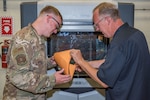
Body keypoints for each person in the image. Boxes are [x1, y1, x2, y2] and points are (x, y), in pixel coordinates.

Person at [70, 2, 150, 100]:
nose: (97, 29)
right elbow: (117, 62)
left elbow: (104, 81)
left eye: (97, 25)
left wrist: (81, 61)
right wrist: (88, 64)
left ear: (107, 20)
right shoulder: (136, 34)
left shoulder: (118, 43)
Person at [3, 5, 71, 100]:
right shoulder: (24, 39)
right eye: (57, 26)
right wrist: (52, 80)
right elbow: (18, 76)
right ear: (48, 19)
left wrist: (51, 62)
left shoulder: (38, 39)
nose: (56, 31)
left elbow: (32, 66)